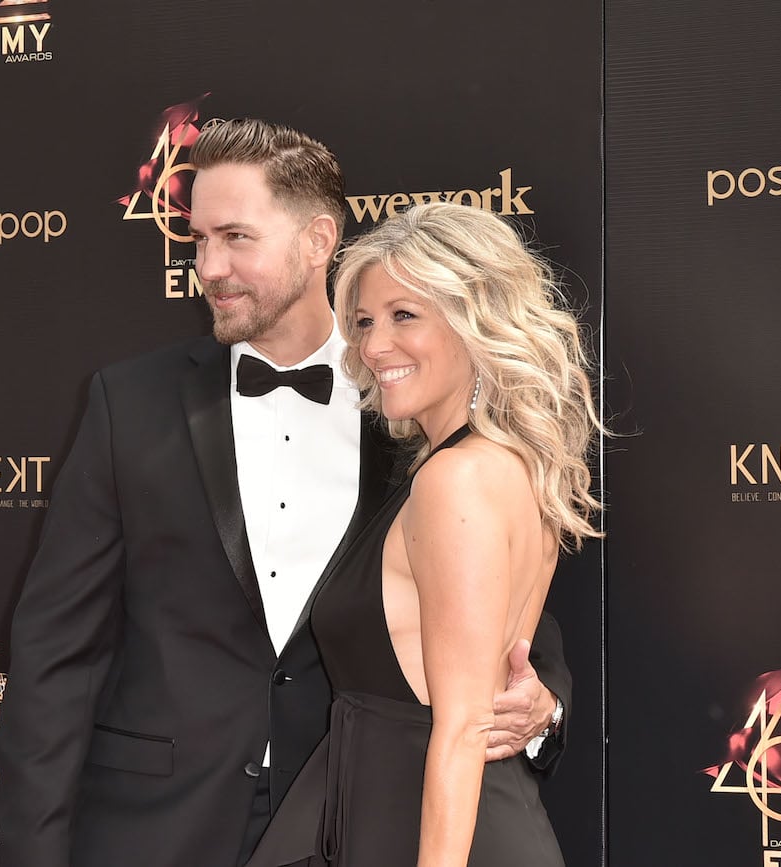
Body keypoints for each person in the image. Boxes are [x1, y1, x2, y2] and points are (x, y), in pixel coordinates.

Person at [0, 120, 573, 867]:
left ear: (317, 240)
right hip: (158, 827)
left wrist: (542, 711)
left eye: (237, 237)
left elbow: (503, 623)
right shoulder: (129, 404)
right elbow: (56, 652)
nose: (209, 266)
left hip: (351, 821)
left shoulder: (411, 412)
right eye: (198, 240)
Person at [250, 202, 602, 867]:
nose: (373, 346)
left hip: (437, 837)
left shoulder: (455, 481)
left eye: (404, 315)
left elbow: (464, 727)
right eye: (364, 322)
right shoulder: (504, 466)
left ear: (476, 322)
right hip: (425, 822)